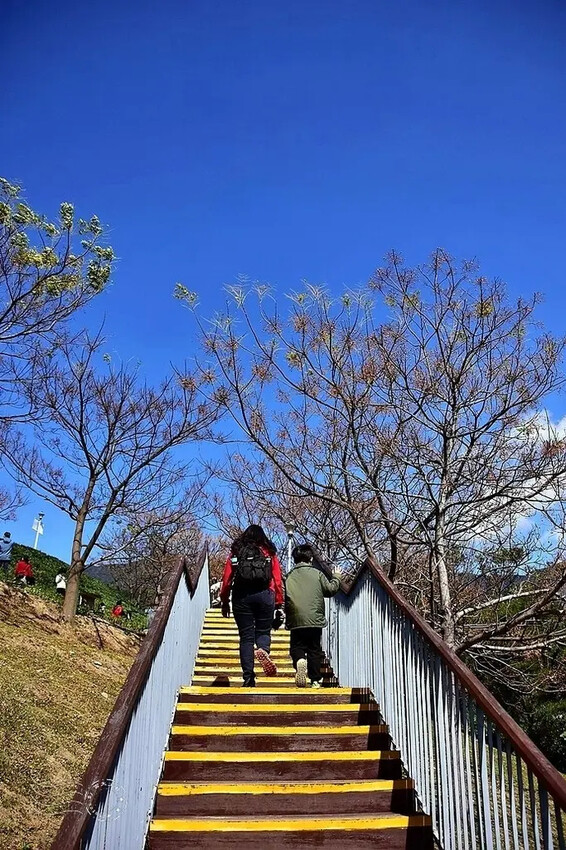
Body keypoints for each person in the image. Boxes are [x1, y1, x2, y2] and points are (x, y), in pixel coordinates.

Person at [220, 524, 284, 687]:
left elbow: (227, 579)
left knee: (246, 638)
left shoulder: (236, 552)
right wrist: (278, 602)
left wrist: (225, 600)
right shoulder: (269, 552)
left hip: (242, 597)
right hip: (265, 595)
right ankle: (263, 649)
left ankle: (248, 678)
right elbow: (277, 579)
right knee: (263, 630)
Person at [285, 543, 341, 688]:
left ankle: (299, 661)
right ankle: (315, 680)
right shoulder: (318, 574)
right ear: (310, 559)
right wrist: (336, 577)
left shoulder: (289, 576)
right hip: (315, 618)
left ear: (295, 559)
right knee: (314, 649)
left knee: (296, 647)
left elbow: (285, 596)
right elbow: (330, 590)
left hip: (296, 618)